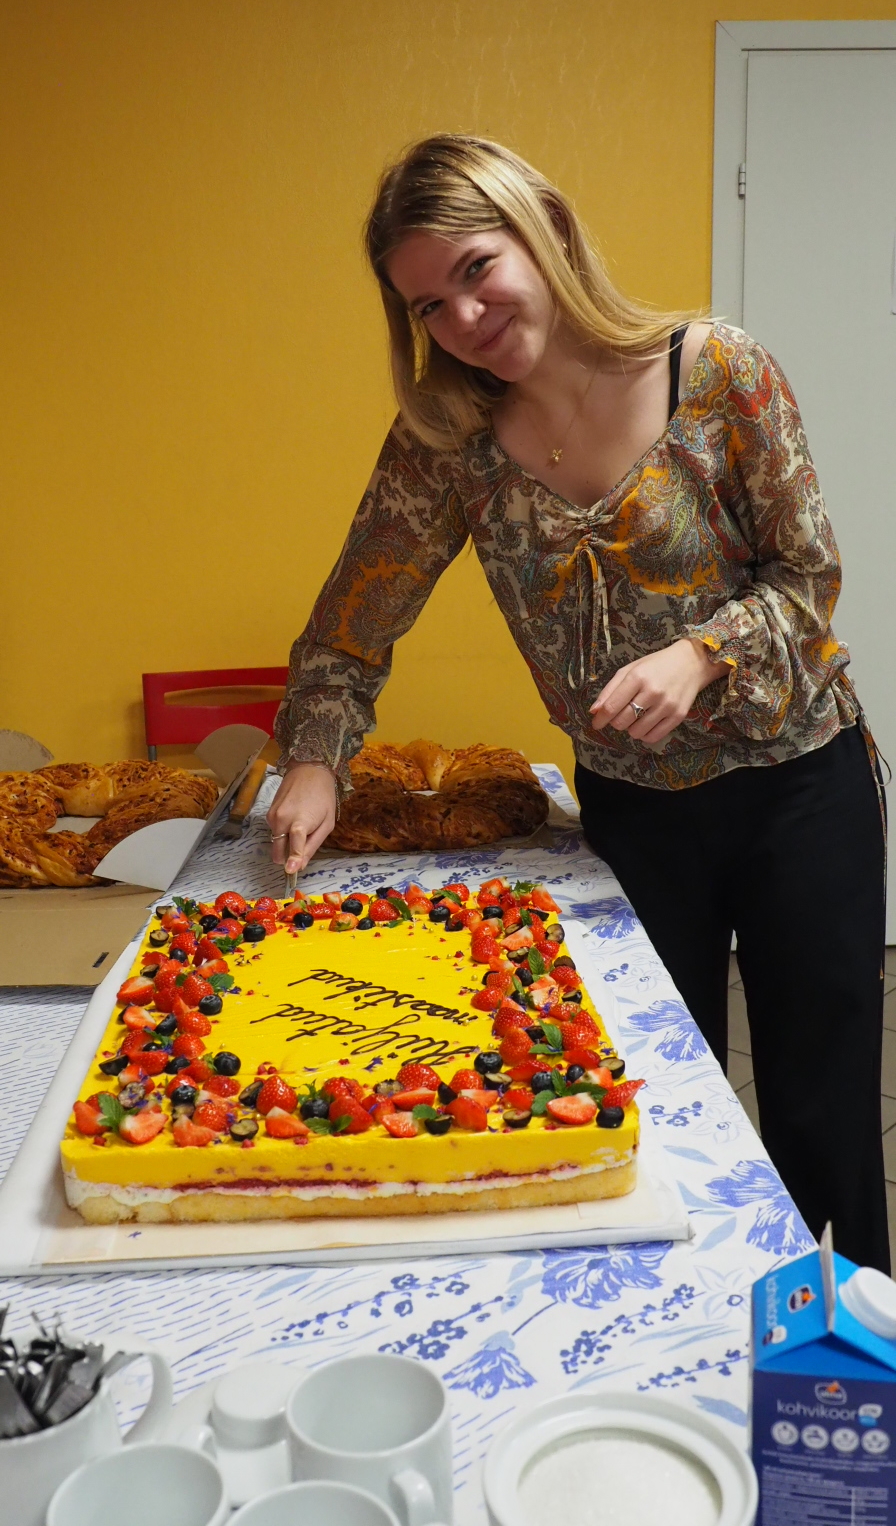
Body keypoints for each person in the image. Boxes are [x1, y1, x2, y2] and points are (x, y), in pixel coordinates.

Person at [268, 134, 888, 1270]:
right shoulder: (445, 443)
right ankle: (685, 1327)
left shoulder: (717, 371)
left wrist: (701, 653)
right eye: (427, 304)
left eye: (475, 269)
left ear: (543, 229)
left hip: (800, 790)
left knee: (821, 1109)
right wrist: (314, 759)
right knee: (652, 1096)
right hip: (634, 816)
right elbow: (347, 631)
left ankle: (838, 1340)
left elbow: (808, 578)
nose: (462, 317)